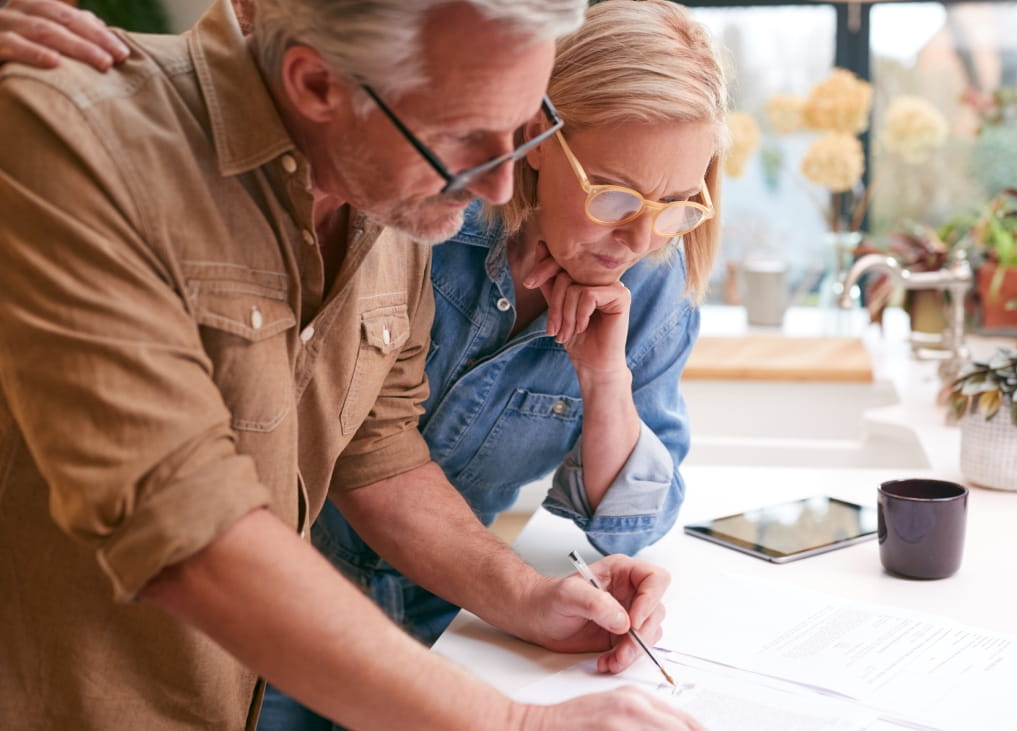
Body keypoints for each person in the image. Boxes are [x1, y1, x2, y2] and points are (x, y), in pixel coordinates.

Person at [0, 0, 702, 728]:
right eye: (465, 137)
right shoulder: (79, 131)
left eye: (525, 131)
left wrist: (525, 595)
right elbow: (179, 516)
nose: (500, 188)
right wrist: (516, 722)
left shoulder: (390, 182)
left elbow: (379, 446)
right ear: (316, 86)